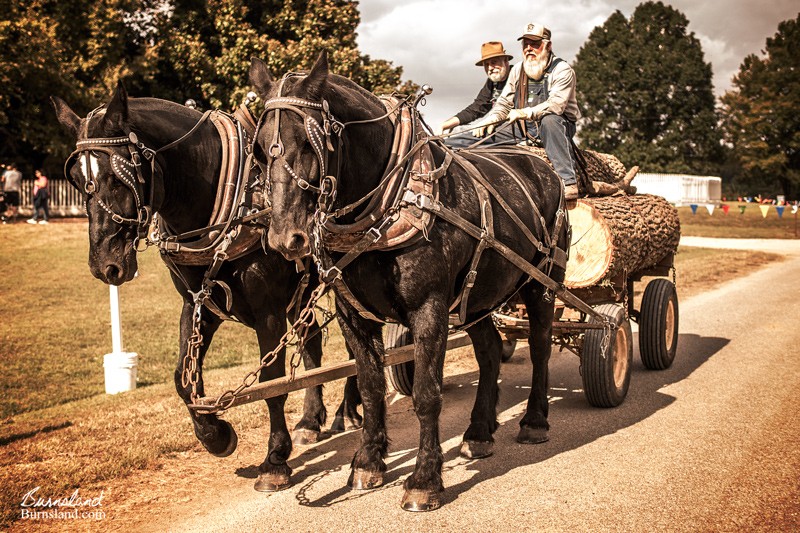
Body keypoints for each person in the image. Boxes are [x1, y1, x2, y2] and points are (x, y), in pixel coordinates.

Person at [450, 23, 582, 200]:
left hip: (557, 126)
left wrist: (522, 113)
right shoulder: (518, 70)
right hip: (524, 127)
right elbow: (504, 103)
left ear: (548, 45)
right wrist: (491, 120)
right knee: (477, 135)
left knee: (550, 120)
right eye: (525, 44)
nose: (529, 48)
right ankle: (442, 148)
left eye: (535, 43)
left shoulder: (562, 70)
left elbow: (556, 105)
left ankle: (569, 182)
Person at [438, 41, 513, 135]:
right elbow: (476, 108)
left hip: (513, 129)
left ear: (505, 60)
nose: (490, 68)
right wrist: (444, 125)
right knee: (457, 131)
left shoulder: (517, 75)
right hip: (497, 127)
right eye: (486, 64)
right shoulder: (492, 83)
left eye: (494, 62)